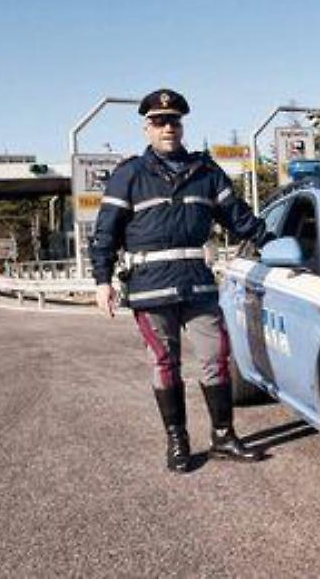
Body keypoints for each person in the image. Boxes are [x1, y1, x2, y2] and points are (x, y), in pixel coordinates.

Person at [90, 88, 266, 473]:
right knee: (165, 363)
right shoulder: (129, 175)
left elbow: (240, 220)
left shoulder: (206, 172)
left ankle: (223, 436)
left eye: (173, 121)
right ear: (146, 128)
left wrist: (274, 240)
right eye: (158, 122)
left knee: (215, 359)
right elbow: (105, 232)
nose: (167, 127)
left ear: (182, 125)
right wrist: (102, 280)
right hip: (150, 287)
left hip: (198, 285)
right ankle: (178, 442)